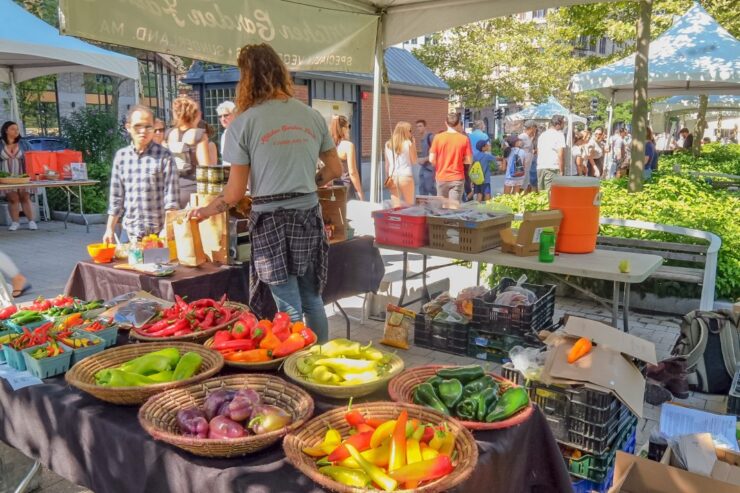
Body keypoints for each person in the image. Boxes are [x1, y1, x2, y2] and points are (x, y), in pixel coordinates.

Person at [188, 43, 343, 343]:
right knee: (312, 299)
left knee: (289, 308)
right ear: (281, 72)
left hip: (270, 219)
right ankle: (319, 361)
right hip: (308, 215)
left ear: (246, 78)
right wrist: (308, 183)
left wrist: (206, 210)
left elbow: (233, 193)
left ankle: (297, 368)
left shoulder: (242, 124)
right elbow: (335, 170)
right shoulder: (311, 116)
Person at [103, 105, 180, 245]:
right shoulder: (121, 156)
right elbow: (116, 198)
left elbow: (172, 200)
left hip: (158, 234)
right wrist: (109, 229)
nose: (143, 131)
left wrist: (166, 231)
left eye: (148, 126)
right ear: (128, 127)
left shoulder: (165, 156)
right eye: (138, 126)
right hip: (129, 233)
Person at [165, 96, 211, 208]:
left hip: (172, 191)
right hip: (193, 190)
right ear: (195, 114)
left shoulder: (168, 134)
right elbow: (206, 168)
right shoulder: (199, 135)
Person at [1, 121, 37, 231]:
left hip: (23, 175)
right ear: (6, 130)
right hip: (6, 176)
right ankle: (15, 222)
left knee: (25, 197)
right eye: (13, 129)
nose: (16, 131)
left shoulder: (24, 143)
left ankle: (31, 221)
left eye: (17, 129)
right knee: (13, 198)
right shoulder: (0, 143)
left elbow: (33, 157)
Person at [429, 112, 473, 202]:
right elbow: (469, 160)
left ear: (446, 122)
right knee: (454, 207)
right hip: (457, 177)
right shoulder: (464, 139)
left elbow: (431, 159)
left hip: (441, 177)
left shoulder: (437, 138)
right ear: (458, 124)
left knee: (441, 208)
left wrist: (439, 164)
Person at [329, 115, 364, 201]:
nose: (349, 129)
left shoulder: (327, 145)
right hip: (346, 188)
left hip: (330, 188)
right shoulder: (348, 146)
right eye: (349, 126)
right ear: (344, 128)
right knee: (349, 214)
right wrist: (360, 192)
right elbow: (352, 172)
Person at [384, 121, 417, 205]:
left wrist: (388, 176)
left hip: (393, 177)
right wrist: (414, 145)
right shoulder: (408, 143)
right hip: (406, 176)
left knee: (396, 206)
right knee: (409, 205)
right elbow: (414, 161)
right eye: (410, 130)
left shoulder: (388, 144)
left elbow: (387, 164)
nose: (411, 133)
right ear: (405, 131)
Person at [536, 115, 565, 191]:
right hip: (552, 168)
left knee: (542, 195)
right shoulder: (559, 135)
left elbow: (538, 152)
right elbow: (560, 154)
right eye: (563, 123)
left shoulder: (542, 135)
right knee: (551, 196)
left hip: (540, 167)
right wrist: (561, 171)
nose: (564, 125)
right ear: (558, 124)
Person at [415, 120, 436, 196]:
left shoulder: (430, 137)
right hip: (424, 167)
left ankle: (439, 197)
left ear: (425, 127)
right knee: (421, 187)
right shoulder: (422, 139)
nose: (418, 128)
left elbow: (435, 152)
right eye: (417, 126)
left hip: (430, 167)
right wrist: (420, 159)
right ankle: (423, 204)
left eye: (420, 126)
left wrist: (424, 159)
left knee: (429, 187)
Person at [518, 120, 537, 190]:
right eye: (535, 128)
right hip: (522, 166)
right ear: (532, 128)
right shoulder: (522, 137)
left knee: (525, 185)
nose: (536, 130)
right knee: (520, 185)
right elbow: (518, 148)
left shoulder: (529, 137)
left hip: (527, 167)